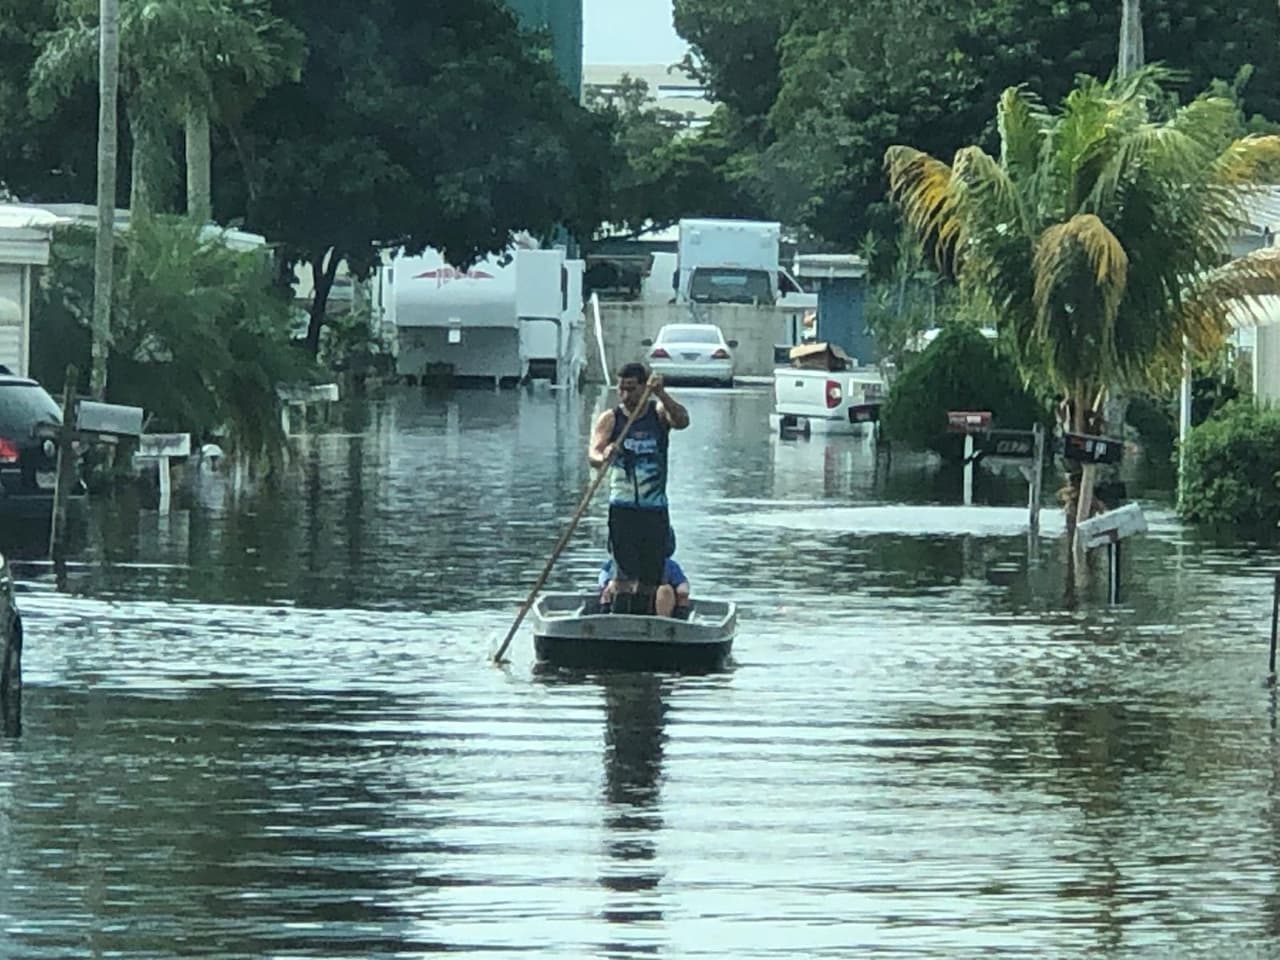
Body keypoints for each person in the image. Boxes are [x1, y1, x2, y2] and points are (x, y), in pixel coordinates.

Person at [588, 362, 689, 614]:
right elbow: (594, 453)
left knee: (652, 578)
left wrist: (662, 393)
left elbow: (683, 421)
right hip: (622, 507)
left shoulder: (658, 413)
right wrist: (605, 456)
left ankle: (650, 622)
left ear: (644, 388)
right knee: (623, 575)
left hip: (653, 508)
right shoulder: (611, 419)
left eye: (632, 389)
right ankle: (620, 620)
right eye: (621, 389)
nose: (625, 395)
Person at [599, 556, 690, 618]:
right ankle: (668, 623)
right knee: (665, 590)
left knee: (610, 584)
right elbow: (683, 591)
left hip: (621, 607)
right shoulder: (669, 564)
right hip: (657, 611)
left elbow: (602, 581)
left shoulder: (614, 563)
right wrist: (681, 607)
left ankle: (605, 615)